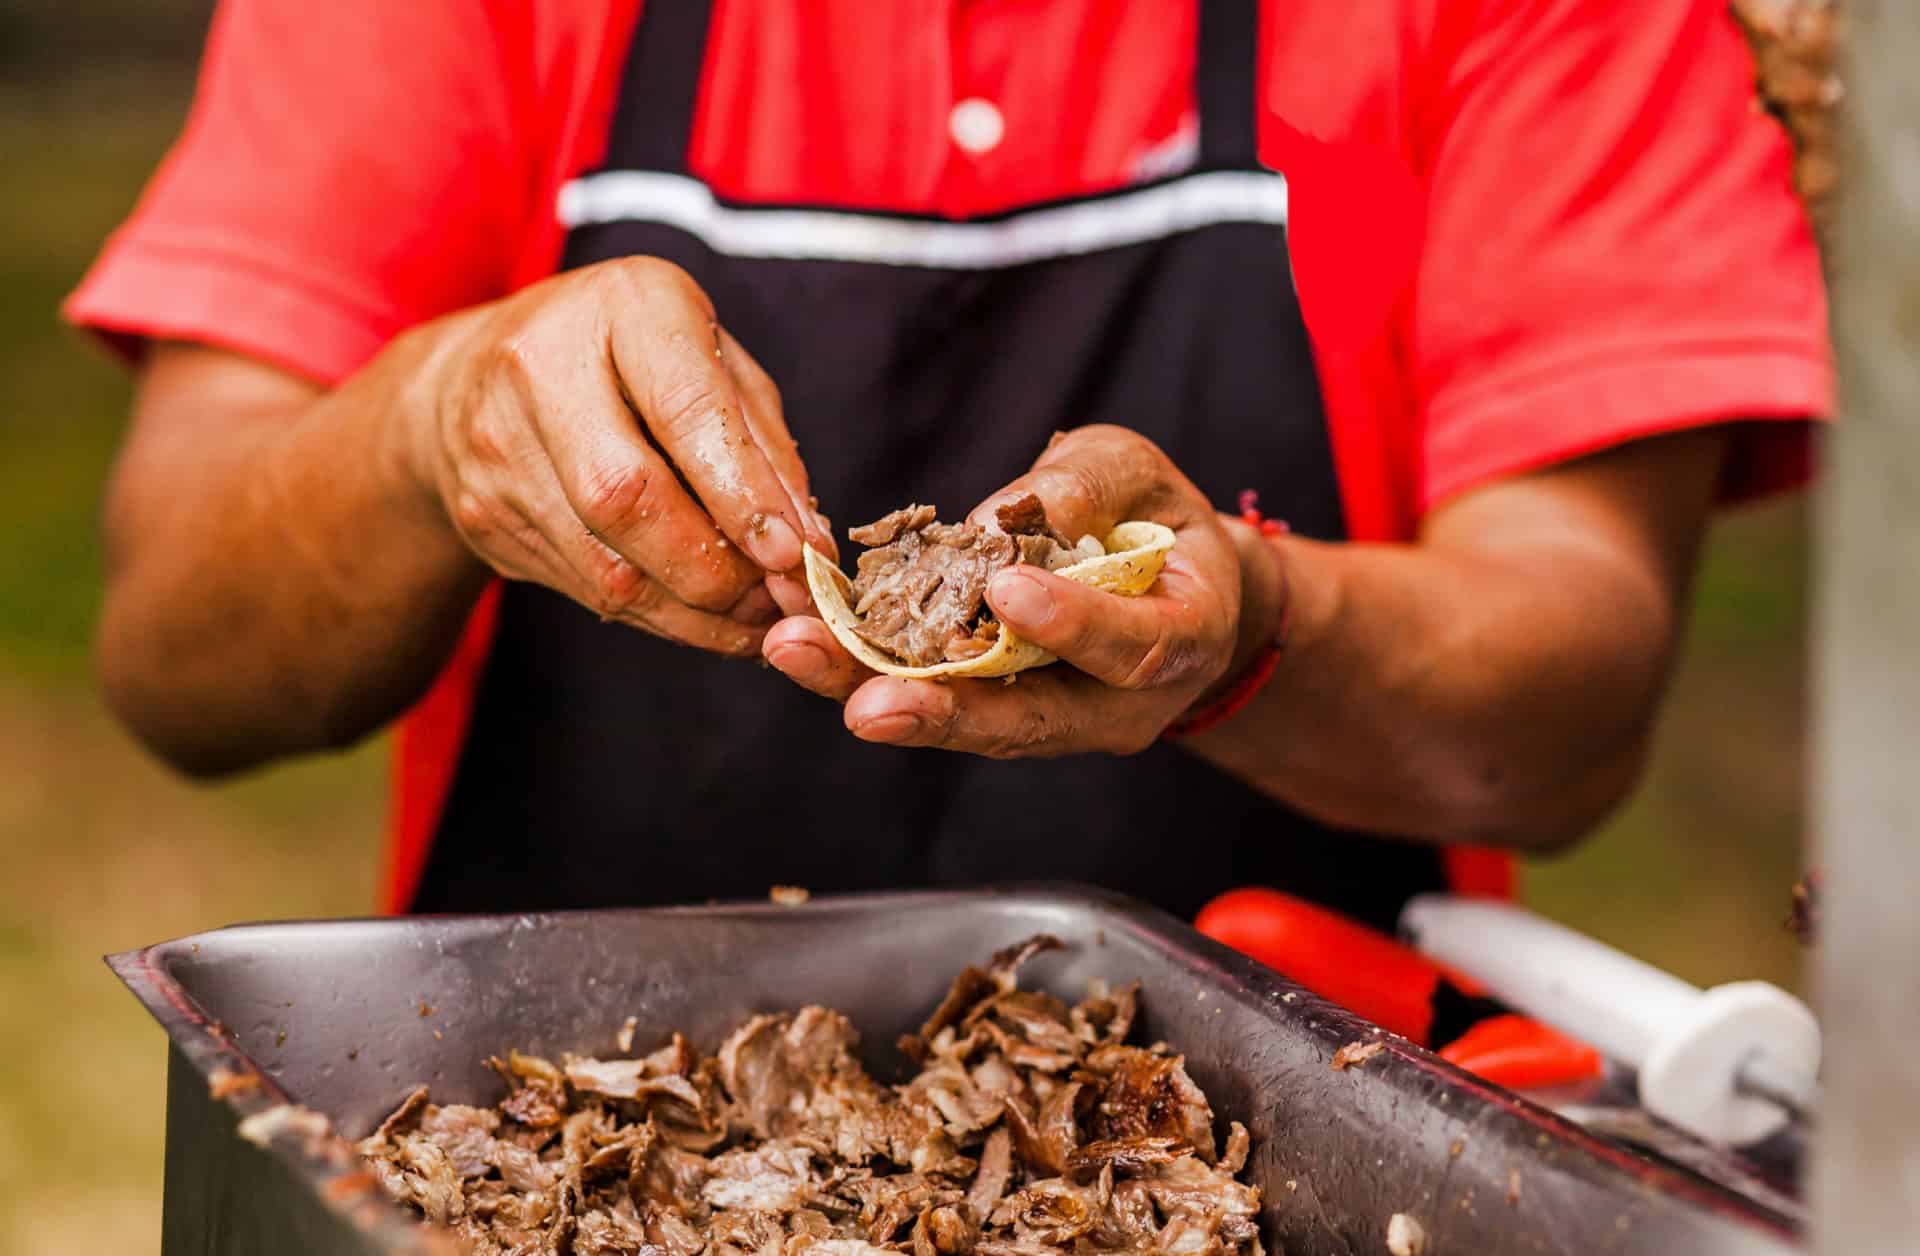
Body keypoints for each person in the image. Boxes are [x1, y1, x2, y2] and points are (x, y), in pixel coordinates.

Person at [68, 1, 1829, 931]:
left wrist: (1254, 613)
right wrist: (433, 422)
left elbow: (1576, 693)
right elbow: (175, 649)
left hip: (1290, 1175)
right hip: (571, 1135)